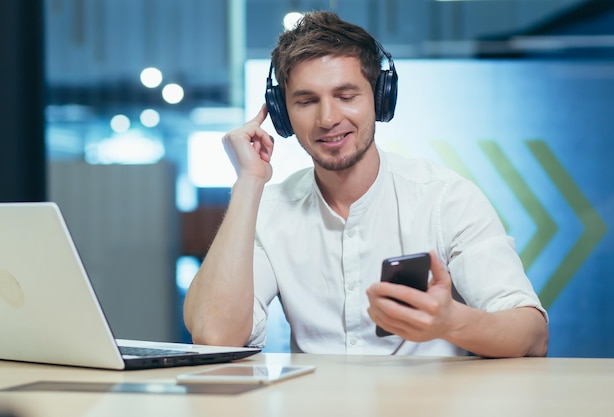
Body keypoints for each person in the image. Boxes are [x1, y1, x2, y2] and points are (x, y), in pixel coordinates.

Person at [183, 10, 549, 357]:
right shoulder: (269, 211)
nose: (328, 118)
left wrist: (452, 322)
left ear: (379, 98)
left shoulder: (445, 198)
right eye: (307, 101)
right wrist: (248, 182)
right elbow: (216, 336)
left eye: (346, 96)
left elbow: (532, 335)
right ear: (283, 115)